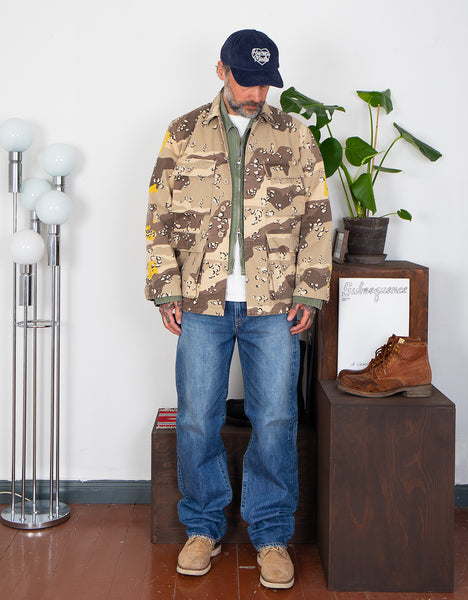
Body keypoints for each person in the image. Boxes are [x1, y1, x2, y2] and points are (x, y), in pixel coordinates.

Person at [145, 29, 332, 589]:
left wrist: (310, 290)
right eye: (246, 82)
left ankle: (271, 534)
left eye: (265, 84)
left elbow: (317, 216)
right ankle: (202, 528)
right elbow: (159, 216)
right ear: (221, 70)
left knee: (275, 418)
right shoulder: (183, 133)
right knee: (197, 417)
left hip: (273, 305)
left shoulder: (295, 135)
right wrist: (166, 289)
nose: (256, 95)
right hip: (201, 303)